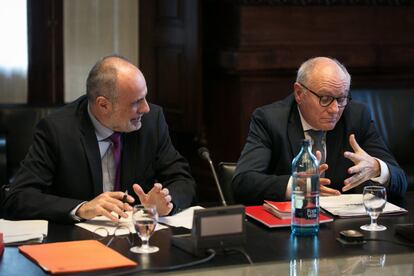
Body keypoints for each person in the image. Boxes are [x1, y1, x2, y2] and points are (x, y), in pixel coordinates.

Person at [3, 55, 196, 223]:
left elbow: (182, 179)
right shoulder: (57, 130)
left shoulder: (152, 121)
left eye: (145, 97)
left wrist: (166, 203)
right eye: (136, 102)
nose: (145, 108)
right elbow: (18, 197)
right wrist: (81, 208)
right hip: (77, 245)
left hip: (138, 240)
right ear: (103, 105)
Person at [232, 57, 407, 205]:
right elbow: (243, 183)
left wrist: (377, 168)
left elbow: (400, 179)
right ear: (299, 93)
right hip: (291, 227)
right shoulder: (270, 120)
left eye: (341, 98)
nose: (335, 109)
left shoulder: (356, 116)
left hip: (344, 229)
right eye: (325, 98)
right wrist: (300, 186)